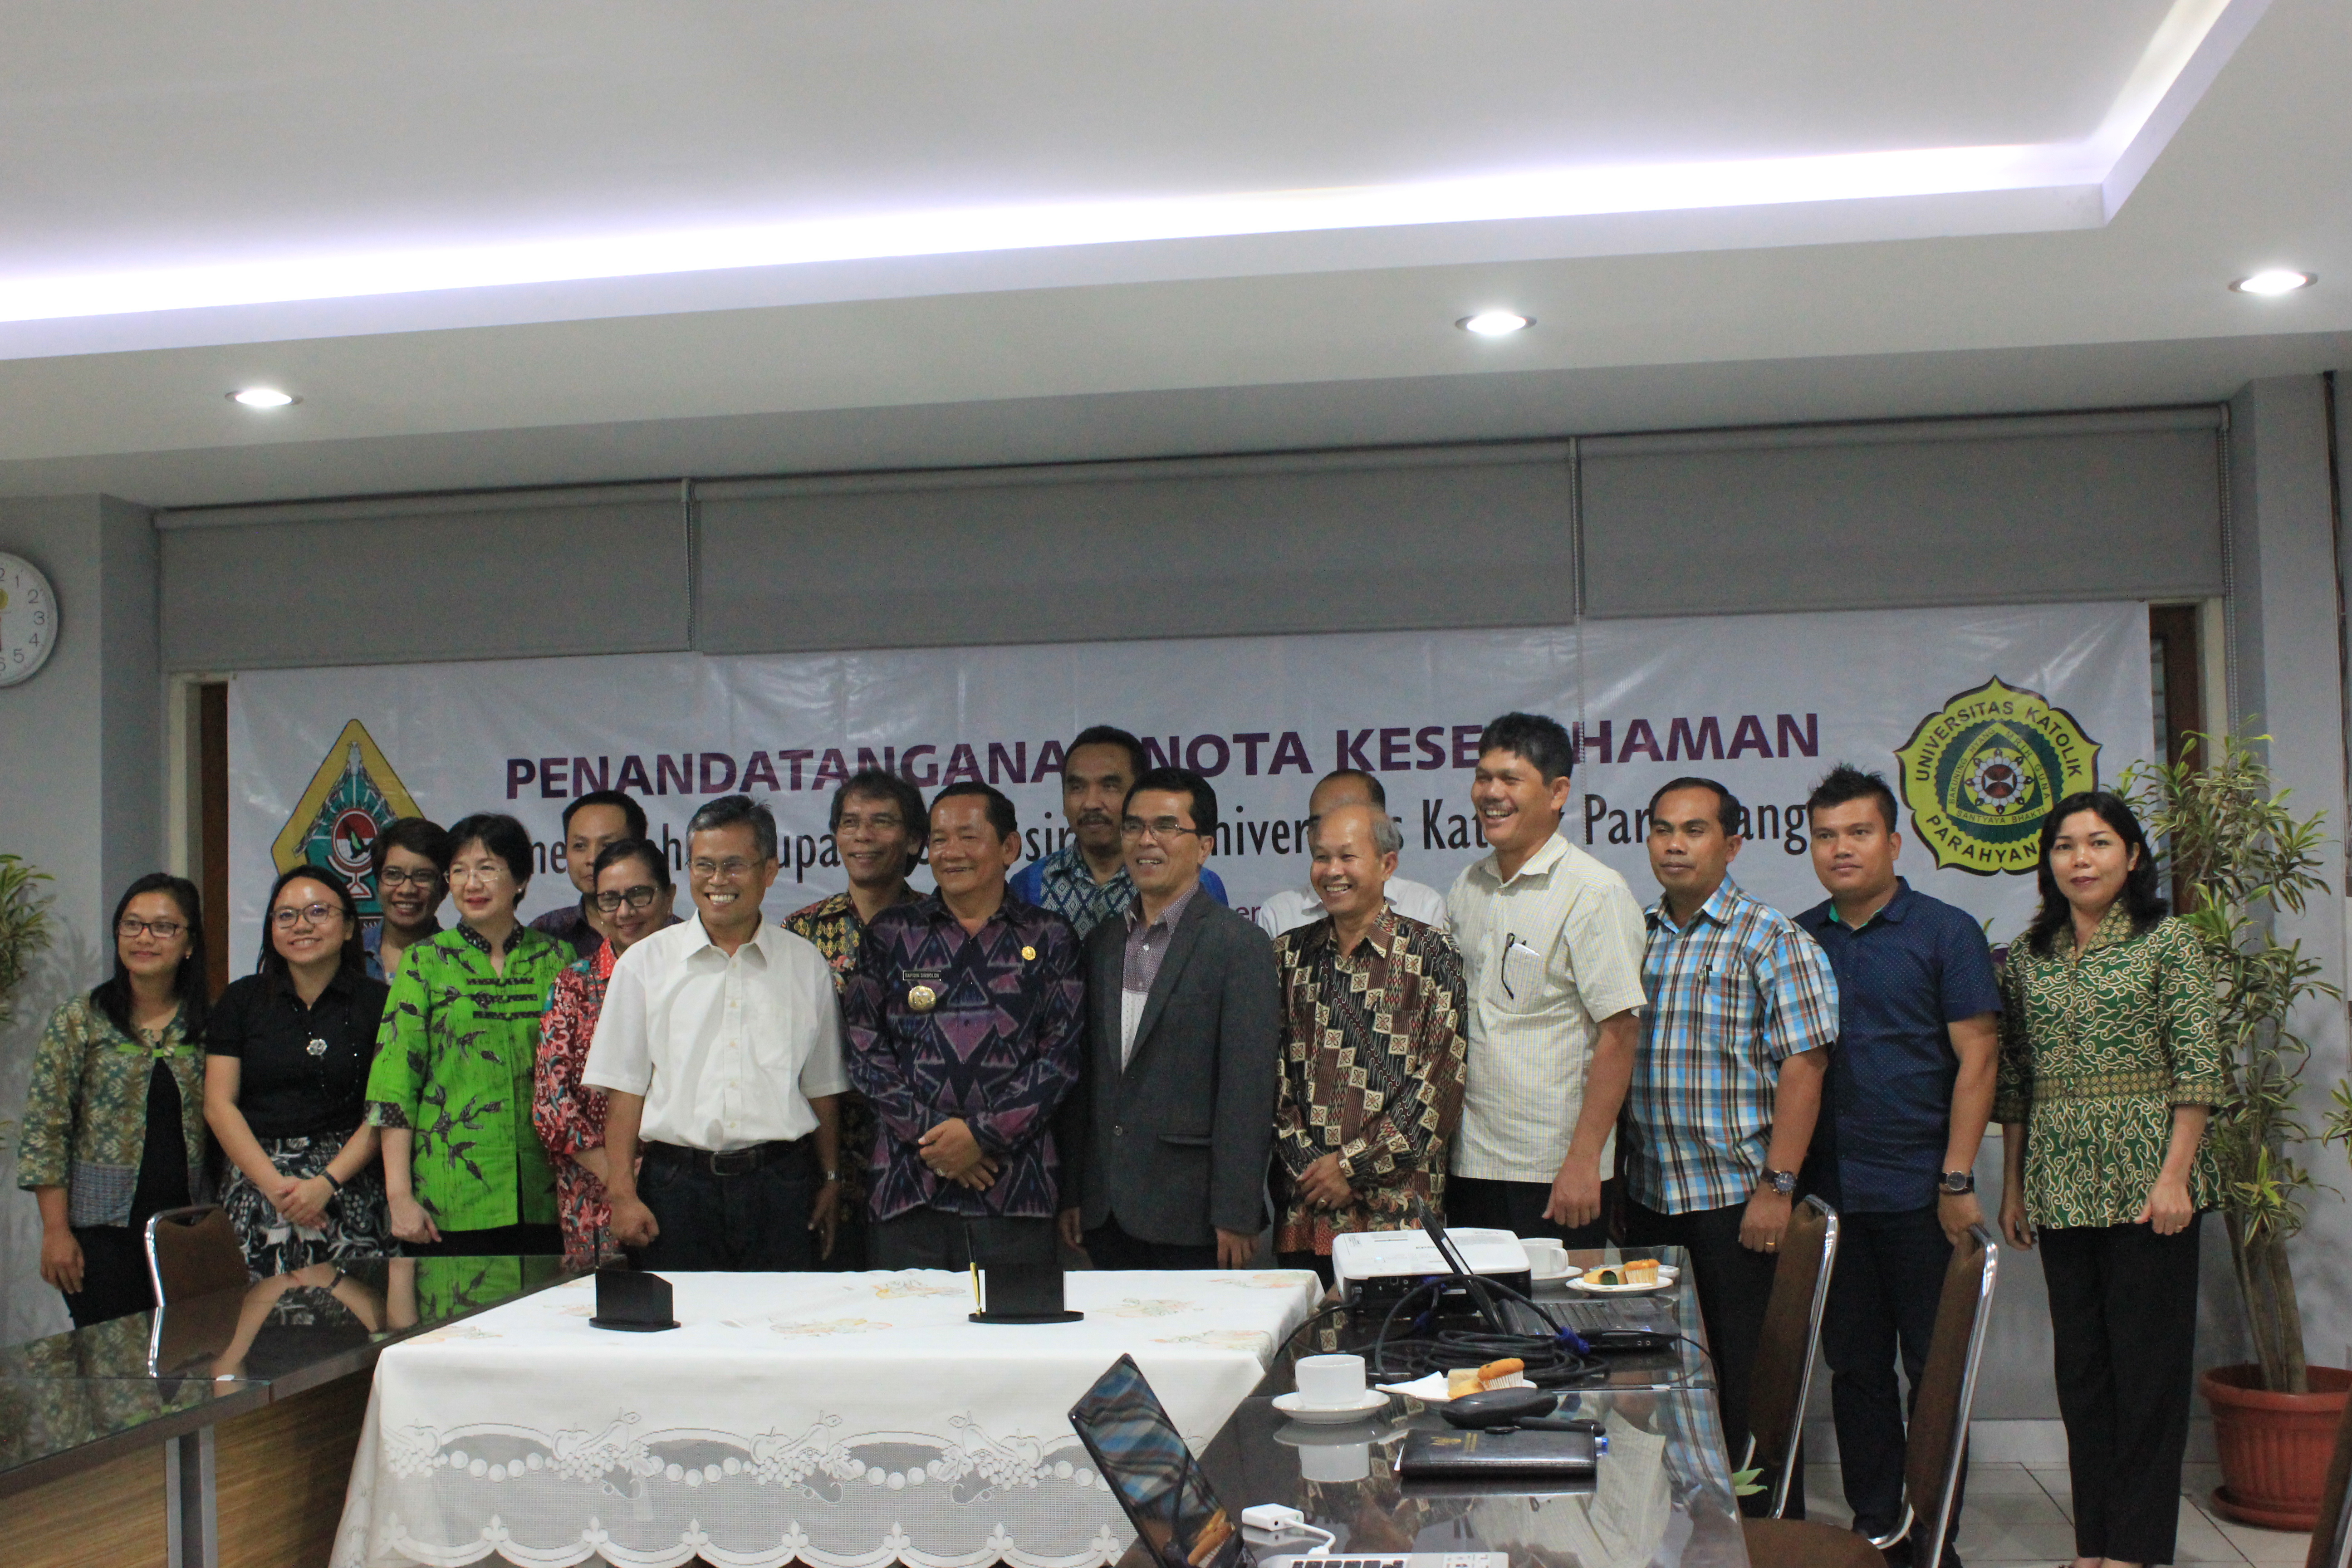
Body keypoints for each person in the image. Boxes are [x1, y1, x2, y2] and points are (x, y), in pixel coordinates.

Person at [1995, 791, 2222, 1568]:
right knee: (2084, 1375)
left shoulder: (2169, 942)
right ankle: (2092, 1546)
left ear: (2130, 856)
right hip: (2059, 1182)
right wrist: (2012, 1186)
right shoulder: (2028, 957)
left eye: (2096, 843)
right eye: (2063, 846)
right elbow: (2015, 1079)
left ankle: (2134, 1550)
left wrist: (2173, 1176)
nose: (2079, 859)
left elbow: (2196, 1065)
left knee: (2146, 1374)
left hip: (2147, 1183)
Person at [1793, 764, 1999, 1562]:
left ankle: (1932, 1536)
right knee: (1854, 1374)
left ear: (1891, 839)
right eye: (1823, 836)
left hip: (1922, 1194)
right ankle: (1874, 1527)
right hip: (1832, 1199)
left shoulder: (1943, 932)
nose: (1839, 849)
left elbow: (1976, 1058)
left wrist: (1955, 1178)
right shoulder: (1799, 936)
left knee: (1932, 1376)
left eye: (1856, 832)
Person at [1625, 775, 1838, 1519]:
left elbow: (1803, 1070)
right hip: (1647, 1202)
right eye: (1661, 829)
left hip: (1736, 1204)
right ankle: (1691, 1536)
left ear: (1731, 842)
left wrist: (1776, 1188)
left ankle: (1767, 1539)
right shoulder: (1634, 935)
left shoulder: (1770, 939)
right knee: (1667, 1390)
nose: (1673, 844)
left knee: (1752, 1390)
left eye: (1692, 830)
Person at [585, 795, 848, 1271]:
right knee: (683, 1335)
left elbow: (823, 1088)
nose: (717, 881)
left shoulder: (804, 963)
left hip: (782, 1186)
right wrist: (622, 1193)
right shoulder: (644, 964)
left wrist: (830, 1177)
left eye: (733, 866)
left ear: (769, 871)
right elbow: (624, 1091)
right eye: (704, 865)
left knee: (782, 1331)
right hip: (677, 1189)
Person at [841, 783, 1083, 1269]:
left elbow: (1060, 1058)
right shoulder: (891, 934)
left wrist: (982, 1138)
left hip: (1016, 1189)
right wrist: (936, 1138)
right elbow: (865, 1053)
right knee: (908, 1340)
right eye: (939, 839)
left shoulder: (1050, 937)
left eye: (968, 837)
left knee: (1016, 1342)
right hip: (909, 1189)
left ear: (1009, 847)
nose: (951, 853)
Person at [1061, 767, 1279, 1270]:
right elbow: (1085, 1082)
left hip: (1194, 1214)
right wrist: (1073, 1190)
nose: (1146, 841)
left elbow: (1247, 1091)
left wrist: (1237, 1209)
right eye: (1134, 827)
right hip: (1105, 1209)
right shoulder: (1102, 943)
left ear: (1204, 846)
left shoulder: (1239, 946)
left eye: (1166, 827)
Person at [1444, 712, 1648, 1247]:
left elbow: (1620, 1033)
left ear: (1558, 792)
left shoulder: (1593, 892)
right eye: (1482, 777)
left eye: (1510, 780)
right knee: (1481, 1329)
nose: (1491, 793)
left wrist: (1584, 1161)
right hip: (1470, 1161)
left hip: (1553, 1171)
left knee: (1555, 1327)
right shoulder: (1468, 885)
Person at [1270, 803, 1467, 1284]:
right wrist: (1315, 1170)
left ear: (1387, 865)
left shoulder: (1431, 954)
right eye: (1321, 857)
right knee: (1310, 1351)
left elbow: (1440, 1085)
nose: (1331, 871)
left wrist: (1351, 1167)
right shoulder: (1287, 956)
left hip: (1400, 1211)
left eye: (1347, 857)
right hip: (1309, 1206)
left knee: (1402, 1353)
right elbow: (1267, 1079)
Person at [366, 813, 571, 1257]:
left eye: (487, 868)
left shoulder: (557, 958)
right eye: (459, 871)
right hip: (448, 1192)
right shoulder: (424, 962)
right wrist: (399, 1195)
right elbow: (394, 1086)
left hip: (547, 1190)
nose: (471, 883)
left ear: (520, 880)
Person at [19, 874, 212, 1327]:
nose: (145, 937)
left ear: (189, 944)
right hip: (99, 1233)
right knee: (114, 1374)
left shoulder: (209, 1023)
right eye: (132, 925)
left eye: (163, 927)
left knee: (188, 1367)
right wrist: (55, 1231)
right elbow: (46, 1129)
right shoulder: (81, 1019)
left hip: (189, 1229)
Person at [205, 866, 397, 1278]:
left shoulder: (379, 1003)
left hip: (350, 1186)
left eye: (317, 912)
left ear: (348, 927)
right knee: (260, 1330)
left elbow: (387, 1107)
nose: (301, 925)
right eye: (286, 915)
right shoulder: (241, 1000)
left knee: (357, 1326)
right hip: (259, 1187)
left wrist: (325, 1184)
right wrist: (278, 1189)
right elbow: (219, 1105)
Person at [786, 768, 928, 1271]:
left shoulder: (941, 927)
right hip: (820, 1162)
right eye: (850, 823)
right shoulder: (798, 934)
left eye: (881, 822)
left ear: (914, 840)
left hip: (921, 1155)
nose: (863, 836)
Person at [534, 838, 679, 1272]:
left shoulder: (698, 975)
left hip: (688, 1185)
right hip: (595, 1194)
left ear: (668, 896)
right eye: (610, 899)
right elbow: (553, 1106)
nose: (625, 911)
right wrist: (623, 1182)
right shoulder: (574, 985)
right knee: (614, 1325)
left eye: (639, 894)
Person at [1009, 725, 1229, 937]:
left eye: (1110, 786)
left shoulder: (1198, 882)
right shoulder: (1031, 885)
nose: (1091, 803)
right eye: (1077, 787)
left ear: (1139, 795)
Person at [1255, 770, 1449, 938]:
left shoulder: (1423, 907)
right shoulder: (1279, 916)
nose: (1330, 830)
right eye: (1317, 823)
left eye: (1348, 818)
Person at [531, 789, 649, 960]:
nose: (592, 859)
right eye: (579, 846)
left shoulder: (671, 933)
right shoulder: (544, 934)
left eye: (607, 846)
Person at [365, 817, 451, 982]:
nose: (407, 890)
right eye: (393, 875)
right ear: (377, 883)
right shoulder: (346, 955)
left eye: (423, 876)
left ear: (444, 888)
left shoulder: (463, 962)